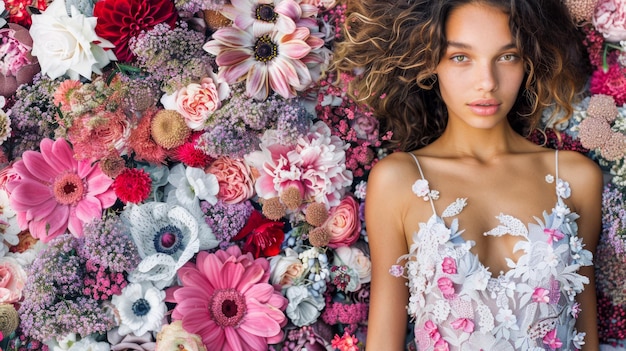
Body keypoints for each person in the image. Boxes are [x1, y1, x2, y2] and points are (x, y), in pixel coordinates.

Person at [332, 0, 602, 350]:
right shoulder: (397, 181)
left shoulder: (575, 179)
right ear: (431, 63)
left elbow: (585, 337)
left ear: (529, 61)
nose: (487, 82)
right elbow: (384, 342)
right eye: (461, 57)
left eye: (507, 56)